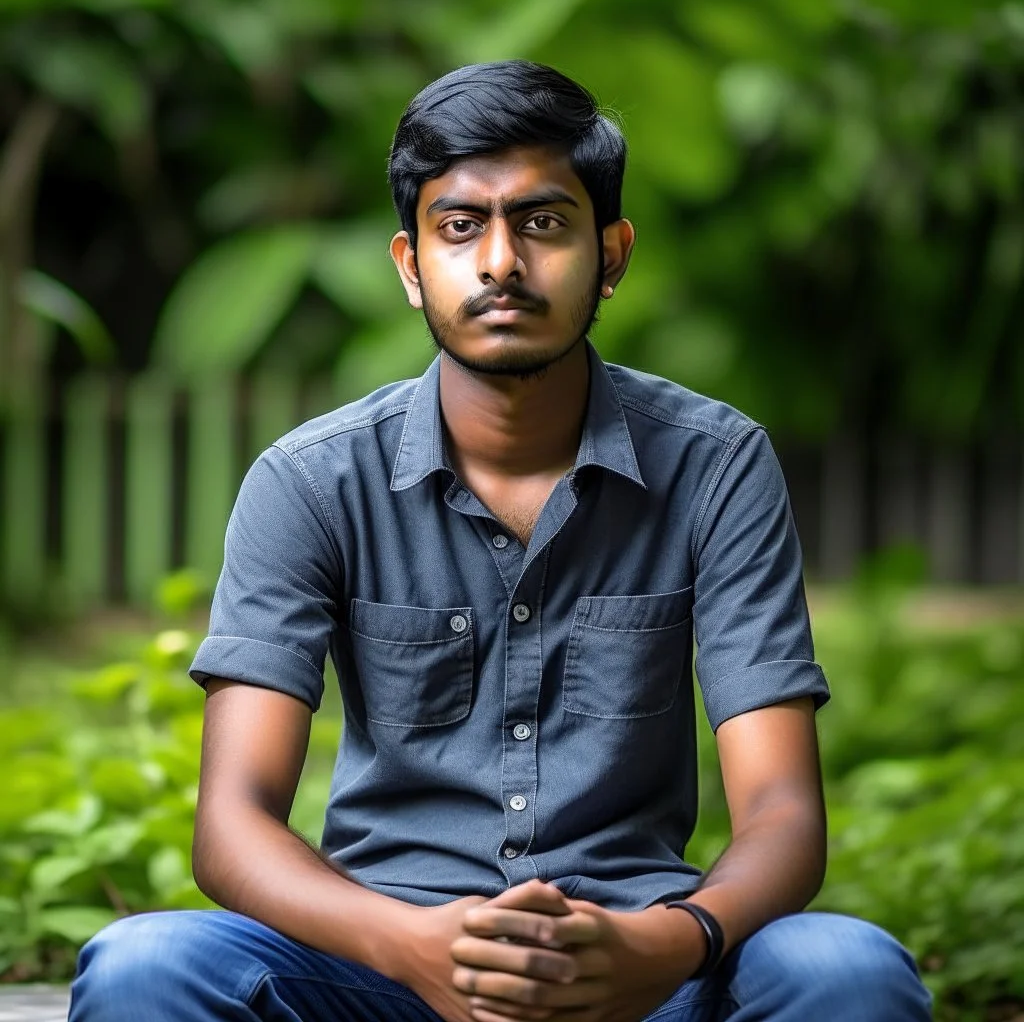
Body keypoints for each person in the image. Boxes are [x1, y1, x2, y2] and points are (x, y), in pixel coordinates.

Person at [69, 60, 933, 1022]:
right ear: (410, 266)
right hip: (383, 972)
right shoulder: (311, 481)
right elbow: (231, 828)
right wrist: (408, 947)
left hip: (640, 971)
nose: (500, 263)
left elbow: (781, 813)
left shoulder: (715, 465)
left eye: (543, 222)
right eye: (460, 226)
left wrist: (667, 942)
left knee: (847, 971)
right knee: (146, 965)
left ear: (613, 254)